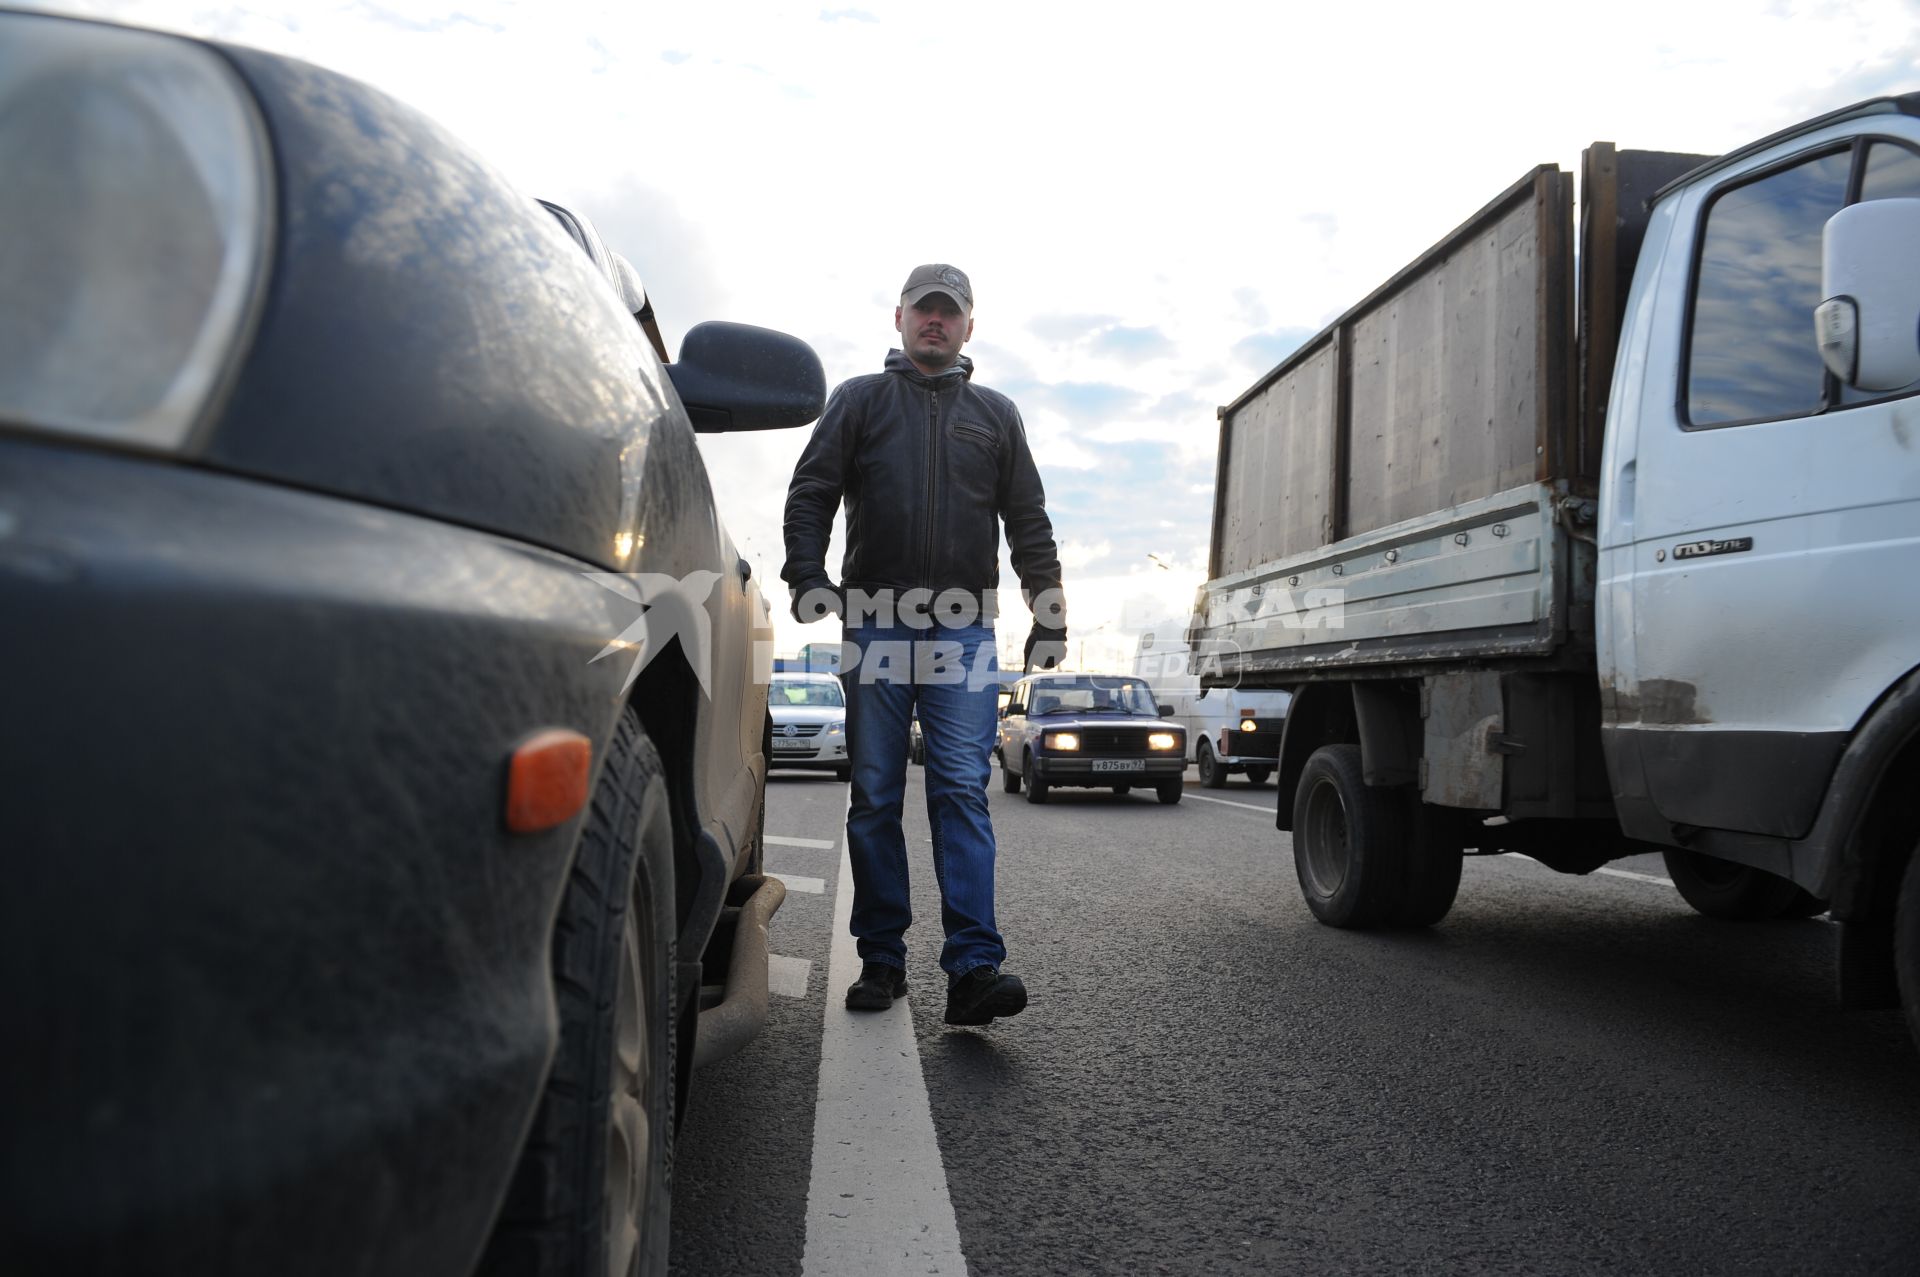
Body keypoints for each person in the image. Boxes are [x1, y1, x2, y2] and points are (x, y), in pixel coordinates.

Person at [782, 263, 1067, 1027]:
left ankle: (975, 968)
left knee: (959, 791)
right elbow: (811, 490)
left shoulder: (996, 415)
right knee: (875, 790)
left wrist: (1050, 610)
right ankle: (882, 956)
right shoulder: (859, 401)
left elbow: (1027, 521)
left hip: (964, 623)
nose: (935, 323)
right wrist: (806, 572)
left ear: (970, 327)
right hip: (874, 615)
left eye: (950, 313)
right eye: (924, 311)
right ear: (900, 317)